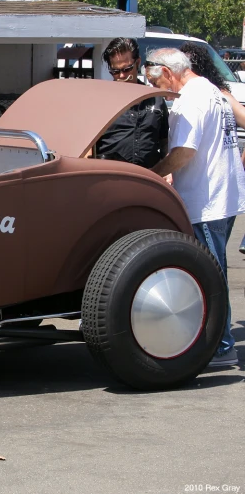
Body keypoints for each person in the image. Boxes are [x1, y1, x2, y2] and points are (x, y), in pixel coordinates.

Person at [145, 47, 245, 367]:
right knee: (214, 272)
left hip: (206, 201)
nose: (158, 90)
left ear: (170, 73)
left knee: (211, 276)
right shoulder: (212, 90)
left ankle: (222, 345)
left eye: (156, 81)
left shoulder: (191, 99)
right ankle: (219, 340)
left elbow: (185, 152)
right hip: (225, 196)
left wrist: (152, 175)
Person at [179, 42, 245, 252]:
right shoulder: (220, 93)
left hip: (212, 195)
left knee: (211, 264)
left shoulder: (207, 94)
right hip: (228, 191)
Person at [91, 38, 169, 168]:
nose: (121, 76)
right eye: (115, 71)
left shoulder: (155, 98)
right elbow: (88, 145)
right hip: (110, 176)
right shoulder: (101, 101)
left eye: (126, 69)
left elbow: (164, 141)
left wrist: (167, 170)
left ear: (137, 62)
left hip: (148, 176)